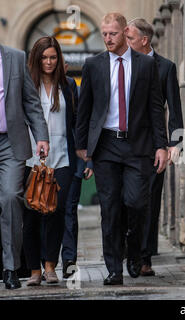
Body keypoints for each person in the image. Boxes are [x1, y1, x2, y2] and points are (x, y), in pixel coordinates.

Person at [75, 13, 168, 286]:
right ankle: (114, 268)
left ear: (124, 32)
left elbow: (155, 108)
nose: (107, 39)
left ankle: (135, 247)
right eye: (104, 34)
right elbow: (86, 108)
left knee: (137, 202)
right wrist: (82, 145)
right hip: (106, 145)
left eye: (113, 34)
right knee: (111, 209)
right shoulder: (94, 65)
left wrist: (161, 145)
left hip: (138, 144)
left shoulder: (145, 65)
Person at [125, 18, 184, 277]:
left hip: (154, 146)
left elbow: (175, 109)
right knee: (127, 201)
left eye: (130, 38)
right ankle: (128, 249)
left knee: (149, 201)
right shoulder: (121, 64)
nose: (125, 44)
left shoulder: (166, 68)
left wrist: (175, 144)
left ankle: (145, 256)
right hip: (123, 144)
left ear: (144, 40)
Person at [22, 37, 79, 286]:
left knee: (56, 212)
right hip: (30, 159)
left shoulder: (68, 85)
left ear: (59, 59)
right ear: (36, 59)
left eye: (53, 57)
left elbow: (76, 123)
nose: (48, 62)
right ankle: (34, 269)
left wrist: (83, 157)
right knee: (32, 215)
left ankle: (50, 266)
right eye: (44, 57)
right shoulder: (26, 86)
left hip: (62, 158)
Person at [0, 44, 49, 290]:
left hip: (11, 142)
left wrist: (41, 135)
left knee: (10, 198)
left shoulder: (16, 58)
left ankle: (10, 268)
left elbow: (31, 101)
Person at [61, 63, 94, 280]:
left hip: (72, 159)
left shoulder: (71, 85)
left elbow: (81, 124)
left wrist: (87, 160)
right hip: (41, 161)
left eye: (55, 59)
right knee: (45, 212)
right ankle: (46, 263)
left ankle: (69, 261)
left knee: (69, 210)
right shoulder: (32, 84)